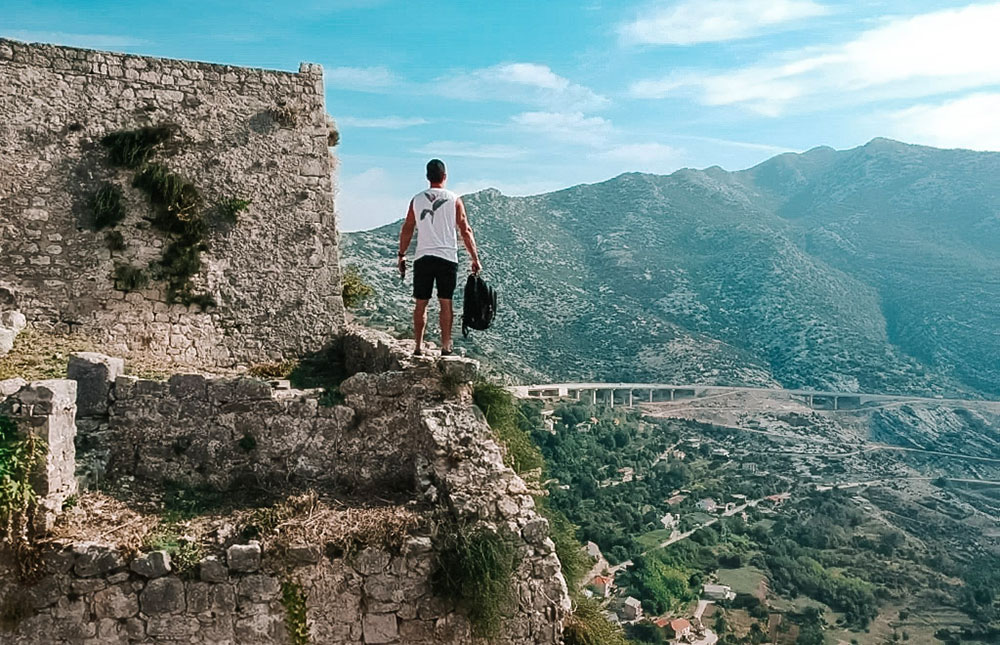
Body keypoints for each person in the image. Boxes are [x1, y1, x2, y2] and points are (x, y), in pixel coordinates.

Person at [397, 159, 482, 356]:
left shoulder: (416, 200)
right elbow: (465, 229)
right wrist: (474, 258)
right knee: (446, 302)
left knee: (421, 303)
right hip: (447, 257)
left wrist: (401, 254)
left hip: (423, 256)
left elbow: (407, 228)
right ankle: (446, 346)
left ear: (427, 177)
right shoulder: (454, 199)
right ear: (445, 176)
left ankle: (418, 346)